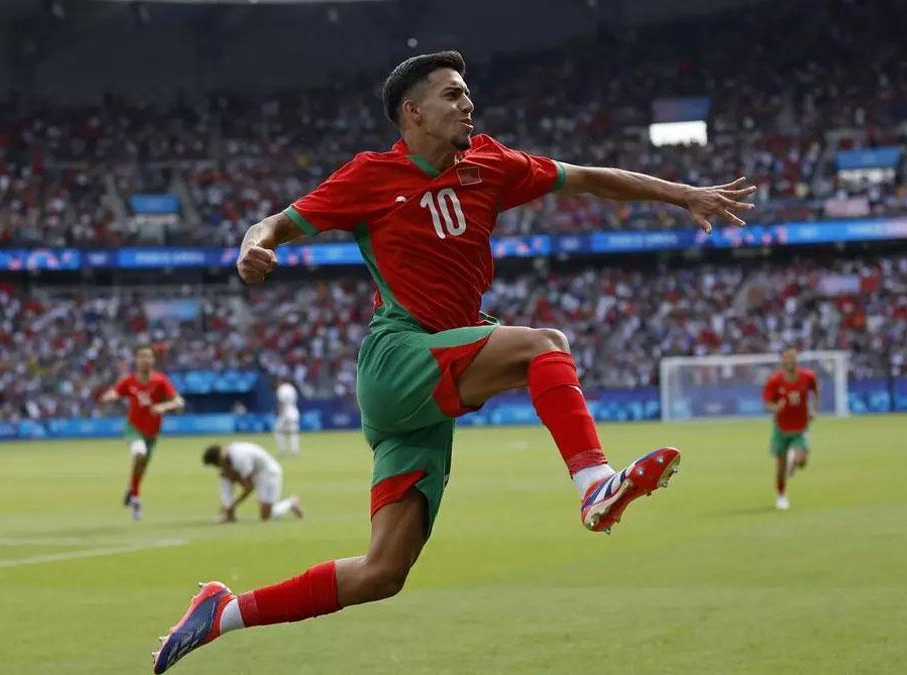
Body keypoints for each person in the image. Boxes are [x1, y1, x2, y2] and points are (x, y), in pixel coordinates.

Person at [152, 50, 754, 673]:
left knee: (382, 572)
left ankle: (219, 613)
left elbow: (589, 177)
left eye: (467, 94)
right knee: (545, 346)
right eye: (452, 95)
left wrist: (684, 194)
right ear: (412, 112)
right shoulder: (369, 176)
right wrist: (253, 249)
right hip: (398, 357)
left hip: (428, 384)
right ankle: (593, 483)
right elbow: (272, 224)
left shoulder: (491, 164)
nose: (468, 104)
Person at [99, 344, 185, 520]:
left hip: (152, 432)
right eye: (141, 356)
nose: (144, 360)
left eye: (148, 356)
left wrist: (164, 406)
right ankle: (136, 501)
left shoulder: (160, 381)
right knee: (139, 453)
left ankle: (132, 490)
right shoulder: (128, 381)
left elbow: (179, 402)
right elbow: (114, 392)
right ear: (136, 360)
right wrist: (109, 397)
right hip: (133, 428)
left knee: (142, 467)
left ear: (153, 360)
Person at [762, 347, 819, 510]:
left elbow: (816, 391)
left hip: (801, 426)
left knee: (802, 462)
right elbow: (767, 403)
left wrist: (815, 409)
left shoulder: (808, 377)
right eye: (787, 358)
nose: (791, 361)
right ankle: (781, 496)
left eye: (793, 357)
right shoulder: (774, 381)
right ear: (782, 360)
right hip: (781, 428)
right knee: (780, 467)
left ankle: (793, 459)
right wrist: (775, 407)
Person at [203, 442, 303, 523]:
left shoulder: (240, 457)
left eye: (218, 464)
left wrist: (233, 505)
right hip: (254, 473)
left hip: (268, 473)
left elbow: (249, 487)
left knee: (266, 517)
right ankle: (229, 515)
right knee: (224, 476)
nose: (219, 467)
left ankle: (291, 502)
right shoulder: (227, 456)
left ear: (221, 457)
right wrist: (227, 505)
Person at [273, 379, 301, 457]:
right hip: (293, 411)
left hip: (285, 412)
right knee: (294, 433)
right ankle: (295, 451)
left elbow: (281, 402)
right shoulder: (292, 388)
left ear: (280, 382)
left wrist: (280, 414)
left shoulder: (281, 389)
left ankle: (283, 451)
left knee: (278, 432)